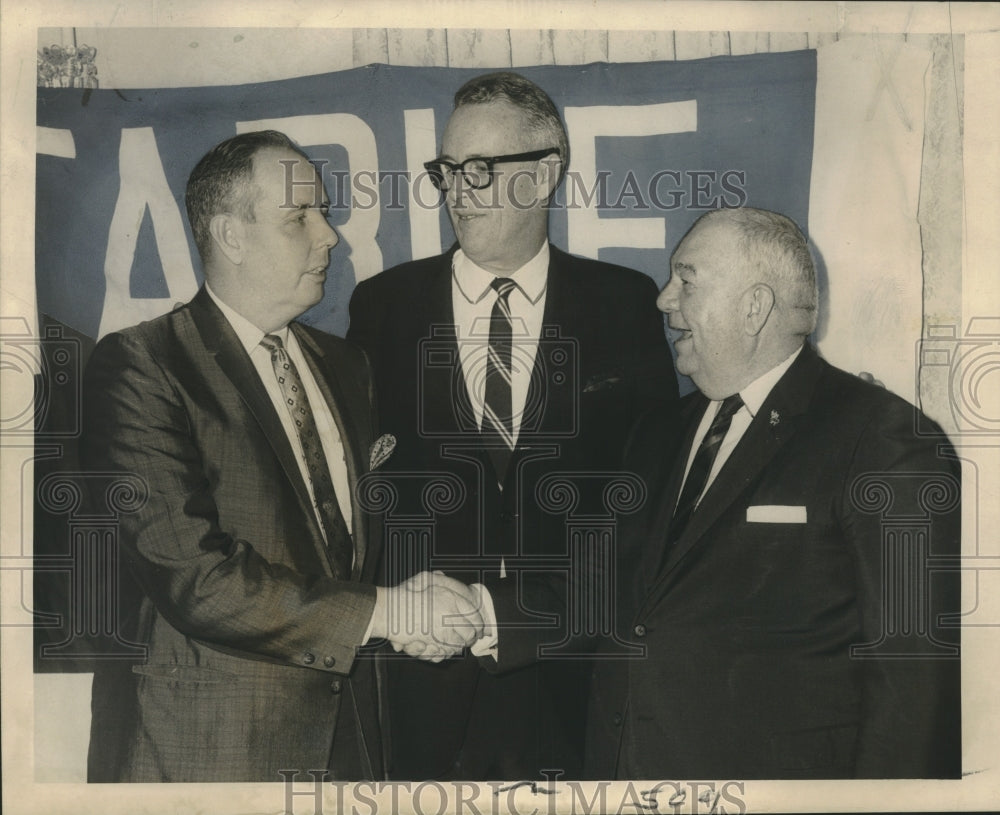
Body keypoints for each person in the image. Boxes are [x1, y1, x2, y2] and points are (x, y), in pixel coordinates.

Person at [81, 130, 483, 783]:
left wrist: (432, 599)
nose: (330, 236)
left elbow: (348, 554)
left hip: (348, 752)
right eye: (300, 218)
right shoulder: (143, 365)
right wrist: (390, 610)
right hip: (205, 760)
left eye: (323, 213)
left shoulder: (347, 367)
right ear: (231, 236)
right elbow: (196, 576)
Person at [348, 72, 677, 780]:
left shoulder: (625, 306)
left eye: (480, 170)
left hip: (570, 682)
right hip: (418, 688)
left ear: (547, 173)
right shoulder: (382, 307)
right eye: (447, 170)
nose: (457, 193)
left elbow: (645, 511)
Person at [585, 207, 962, 779]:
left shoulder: (883, 439)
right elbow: (606, 593)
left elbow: (912, 681)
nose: (663, 300)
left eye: (686, 280)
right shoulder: (655, 434)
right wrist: (480, 612)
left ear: (754, 306)